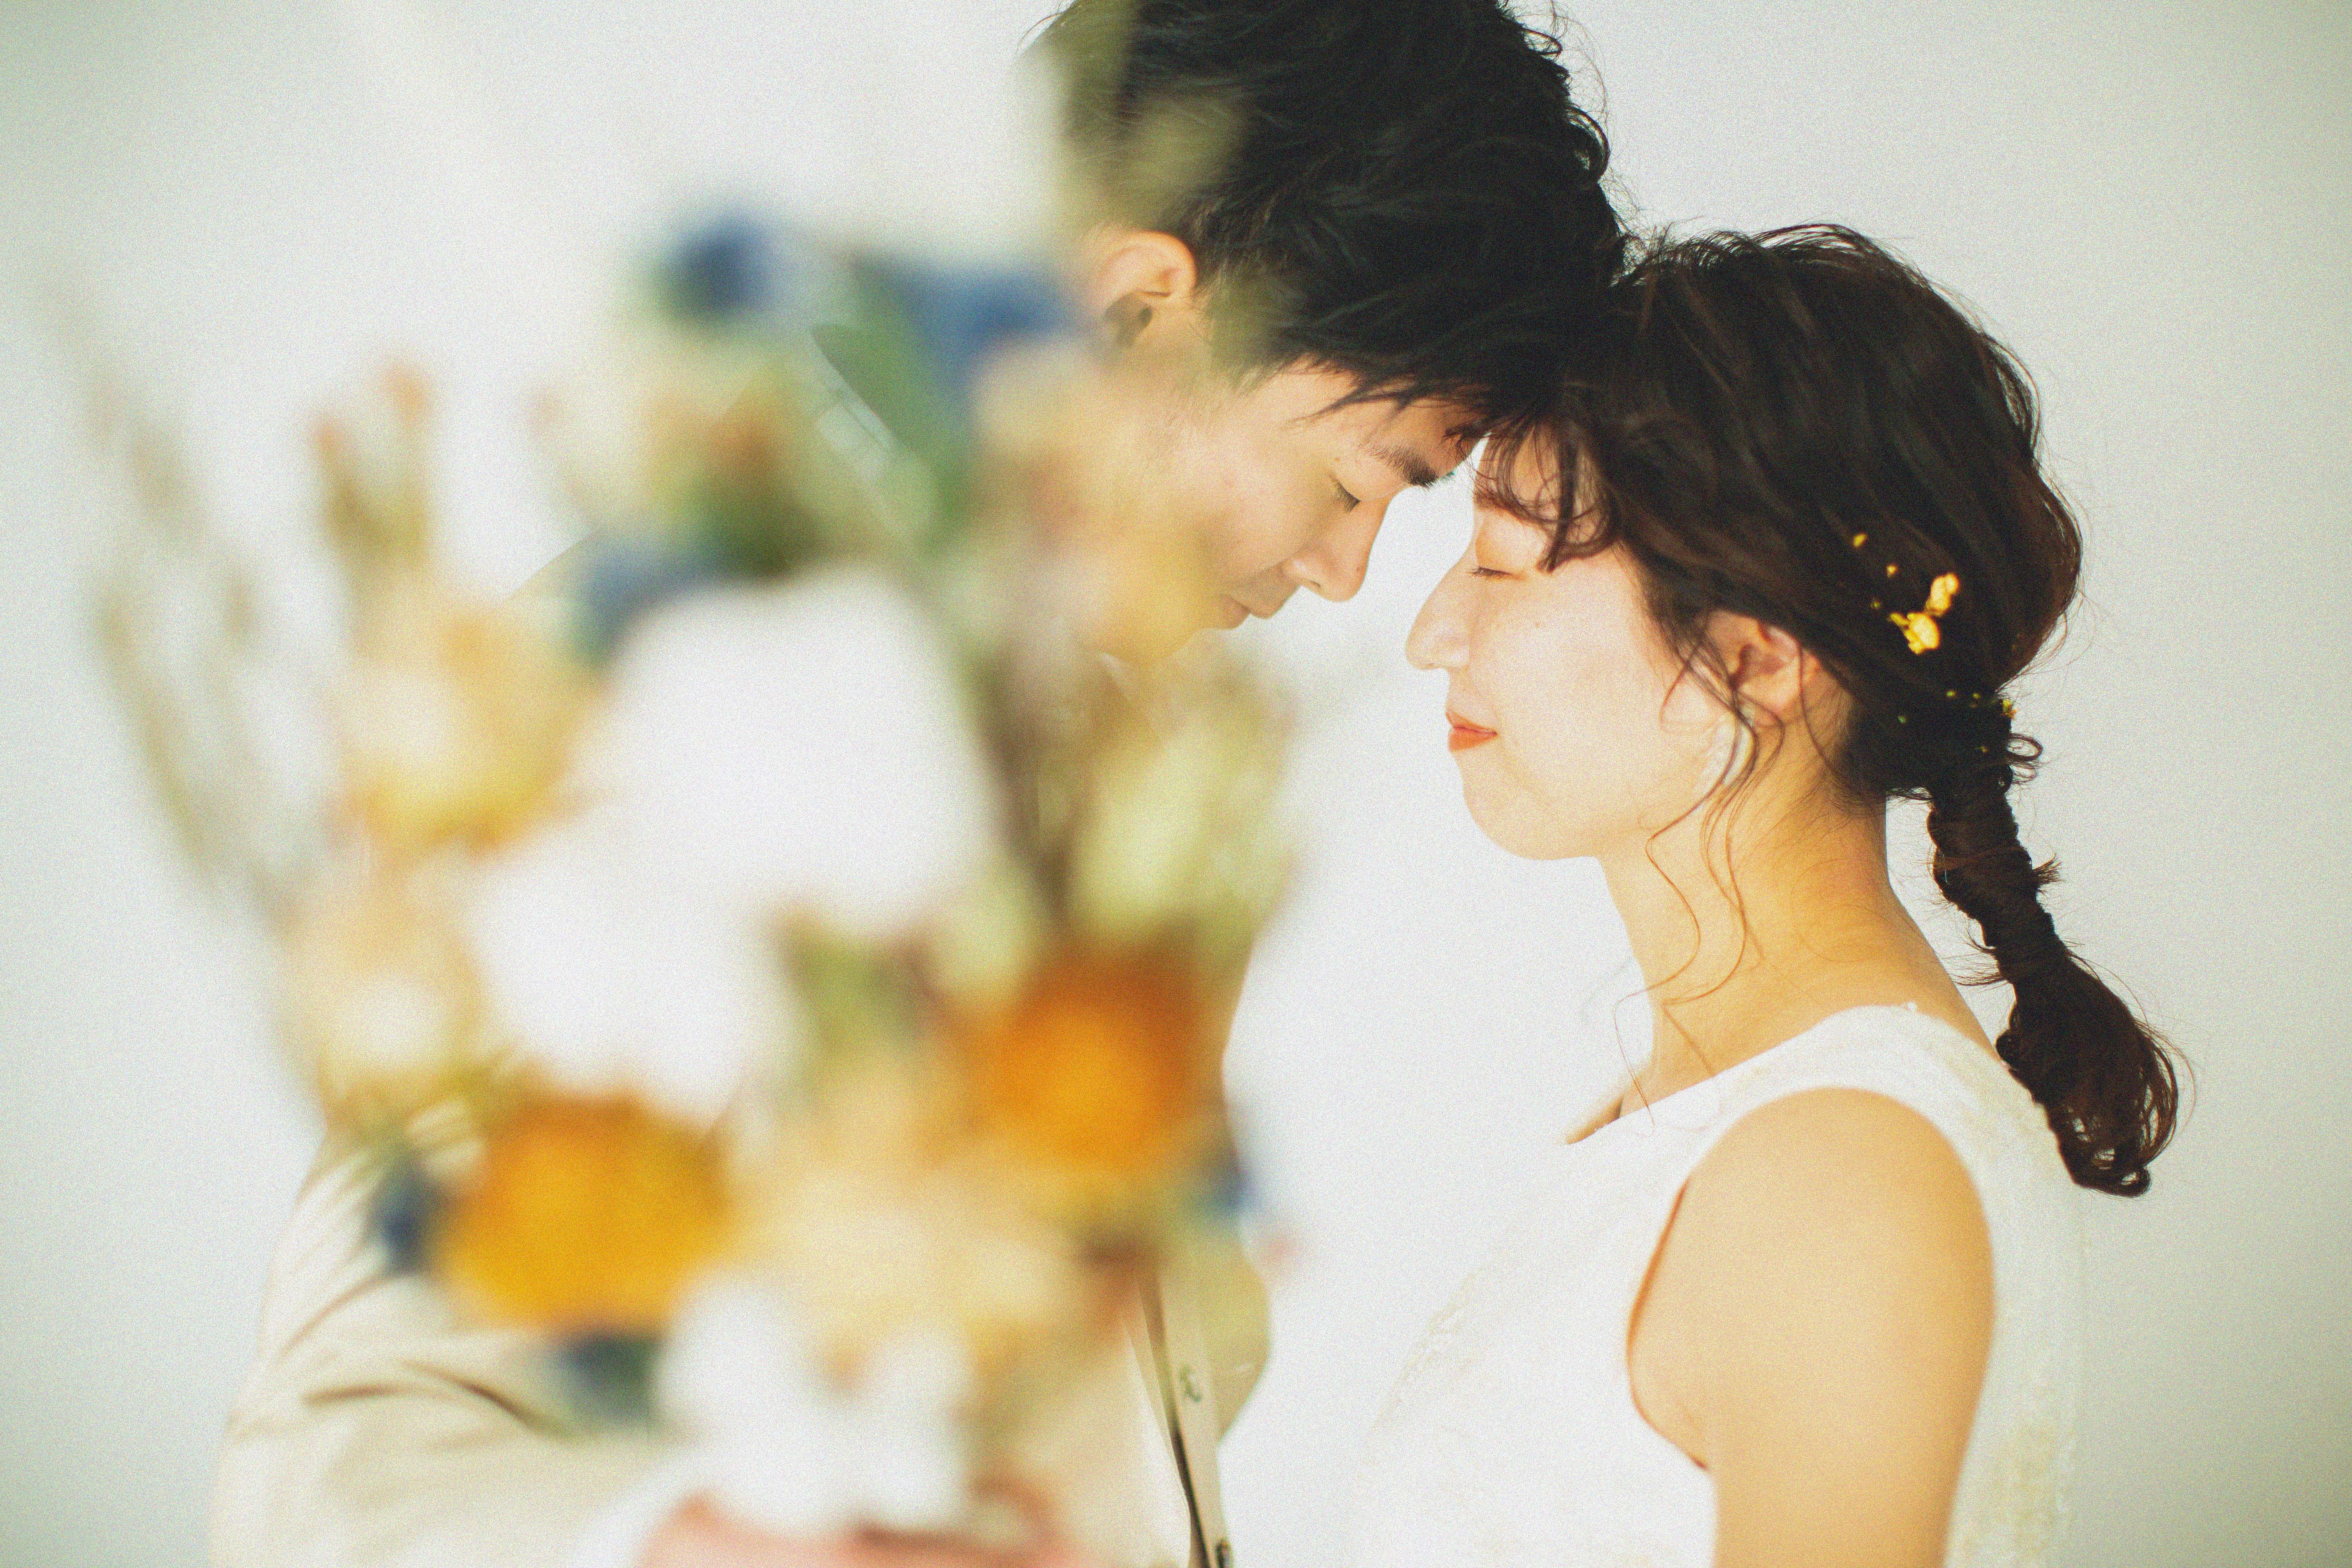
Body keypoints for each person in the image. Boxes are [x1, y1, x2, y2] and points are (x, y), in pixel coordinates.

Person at [209, 4, 1624, 1567]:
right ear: (1135, 310)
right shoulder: (680, 696)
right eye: (1361, 480)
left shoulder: (1104, 757)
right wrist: (692, 1544)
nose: (1347, 573)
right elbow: (335, 1450)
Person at [1359, 226, 2179, 1567]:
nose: (1431, 633)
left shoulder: (1835, 1173)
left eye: (1500, 563)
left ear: (1754, 658)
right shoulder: (1739, 1111)